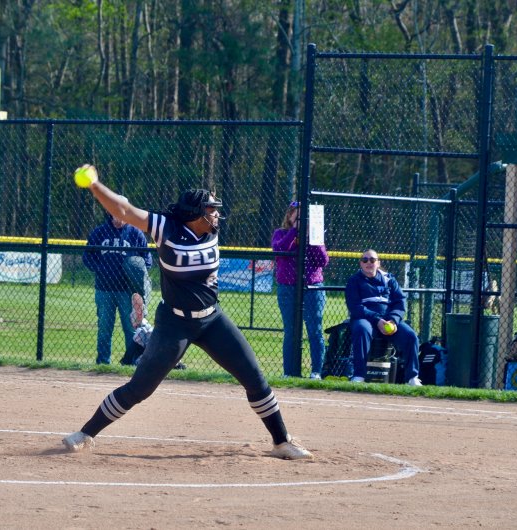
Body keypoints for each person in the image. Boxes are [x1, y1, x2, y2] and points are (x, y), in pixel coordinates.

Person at [63, 164, 312, 460]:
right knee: (139, 388)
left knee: (254, 376)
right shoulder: (165, 228)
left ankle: (281, 441)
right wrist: (95, 186)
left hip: (212, 319)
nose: (217, 214)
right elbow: (126, 211)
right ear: (196, 213)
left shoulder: (211, 230)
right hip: (174, 323)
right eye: (212, 209)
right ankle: (85, 434)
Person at [83, 211, 152, 365]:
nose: (119, 218)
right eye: (116, 214)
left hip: (127, 291)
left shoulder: (135, 233)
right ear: (110, 213)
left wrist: (136, 274)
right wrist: (100, 269)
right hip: (104, 288)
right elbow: (87, 256)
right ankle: (102, 362)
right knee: (104, 328)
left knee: (131, 329)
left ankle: (131, 361)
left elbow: (147, 260)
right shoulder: (100, 232)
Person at [345, 249, 422, 386]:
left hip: (388, 320)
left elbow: (400, 302)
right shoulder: (354, 281)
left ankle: (412, 377)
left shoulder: (389, 279)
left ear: (378, 263)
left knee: (411, 336)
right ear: (360, 264)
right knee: (361, 329)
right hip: (366, 319)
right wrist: (377, 319)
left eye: (372, 260)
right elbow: (355, 307)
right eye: (365, 260)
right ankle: (359, 376)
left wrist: (393, 319)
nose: (369, 263)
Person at [272, 200, 329, 379]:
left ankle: (317, 371)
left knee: (315, 329)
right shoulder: (280, 233)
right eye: (299, 216)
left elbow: (322, 261)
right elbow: (280, 250)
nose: (303, 220)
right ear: (290, 216)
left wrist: (312, 238)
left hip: (312, 287)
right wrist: (295, 231)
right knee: (290, 330)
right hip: (288, 288)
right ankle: (289, 372)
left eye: (306, 218)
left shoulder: (315, 236)